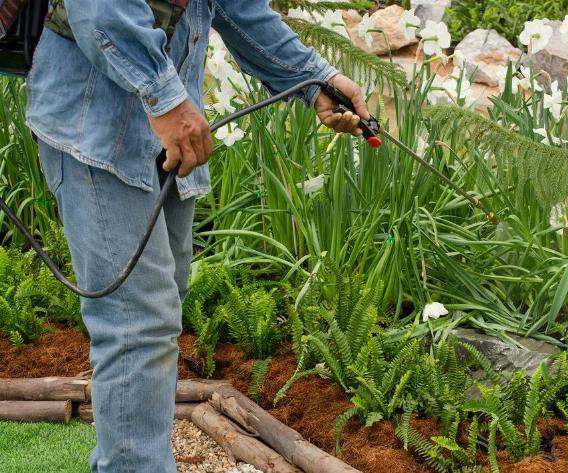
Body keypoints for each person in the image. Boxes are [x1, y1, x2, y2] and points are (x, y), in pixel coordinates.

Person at [25, 1, 368, 471]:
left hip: (172, 136)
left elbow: (235, 6)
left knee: (156, 318)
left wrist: (317, 80)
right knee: (136, 324)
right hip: (96, 125)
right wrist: (165, 99)